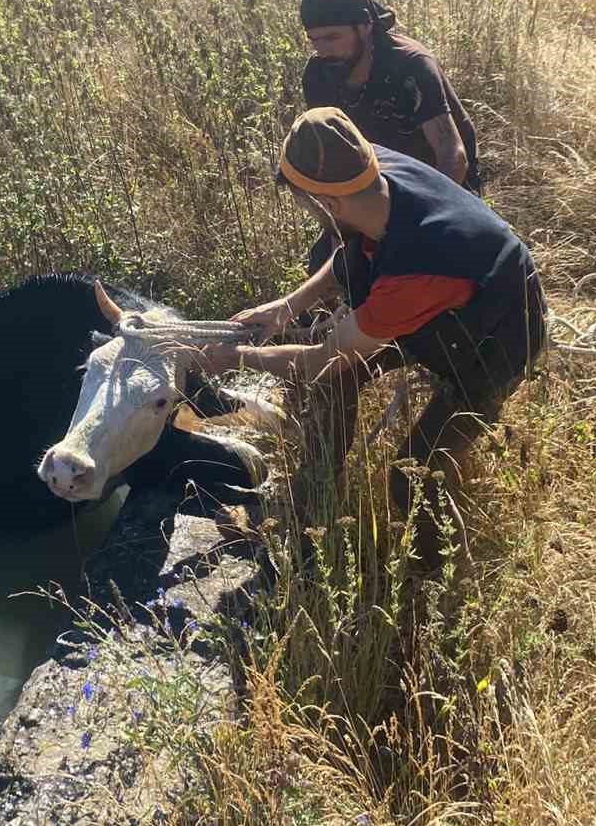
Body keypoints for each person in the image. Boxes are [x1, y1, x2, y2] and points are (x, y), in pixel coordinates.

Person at [197, 108, 545, 572]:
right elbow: (347, 248)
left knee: (415, 474)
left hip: (495, 338)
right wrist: (287, 307)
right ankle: (314, 499)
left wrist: (238, 356)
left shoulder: (414, 271)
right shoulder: (365, 169)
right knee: (334, 383)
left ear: (329, 204)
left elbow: (320, 358)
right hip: (435, 307)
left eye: (306, 203)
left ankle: (435, 580)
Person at [300, 0, 481, 194]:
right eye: (314, 39)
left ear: (365, 26)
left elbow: (452, 156)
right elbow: (327, 149)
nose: (322, 50)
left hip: (443, 185)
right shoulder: (317, 74)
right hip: (379, 187)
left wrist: (424, 214)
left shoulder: (410, 65)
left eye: (332, 37)